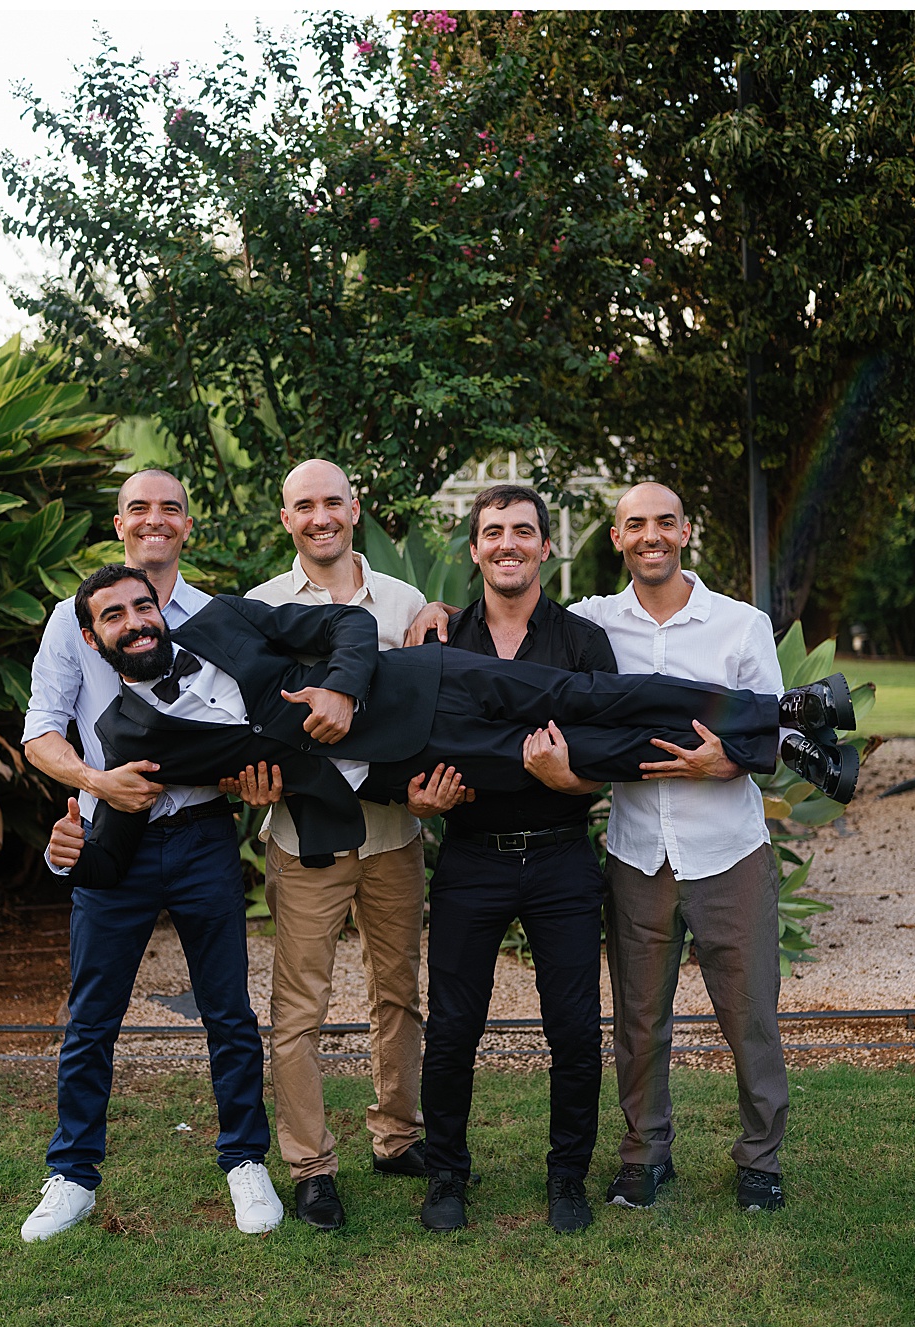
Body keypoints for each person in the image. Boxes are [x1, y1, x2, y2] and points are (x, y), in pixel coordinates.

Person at [47, 565, 855, 885]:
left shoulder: (225, 617)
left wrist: (336, 692)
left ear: (162, 608)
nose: (137, 622)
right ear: (94, 639)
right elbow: (111, 848)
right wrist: (70, 848)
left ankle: (786, 711)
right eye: (115, 617)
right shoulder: (126, 738)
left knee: (601, 698)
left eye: (143, 605)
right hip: (411, 765)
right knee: (587, 752)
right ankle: (780, 744)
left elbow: (347, 629)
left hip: (429, 678)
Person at [18, 469, 283, 1241]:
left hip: (203, 836)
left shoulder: (218, 617)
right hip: (112, 839)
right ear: (120, 522)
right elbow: (41, 731)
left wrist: (258, 783)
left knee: (229, 1011)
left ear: (187, 525)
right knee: (93, 1015)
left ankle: (244, 1161)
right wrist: (98, 781)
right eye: (140, 507)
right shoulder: (73, 622)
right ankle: (71, 1174)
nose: (155, 519)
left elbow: (249, 721)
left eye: (170, 507)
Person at [575, 482, 799, 1212]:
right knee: (638, 1016)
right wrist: (438, 612)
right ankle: (644, 1154)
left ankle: (760, 1159)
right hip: (637, 852)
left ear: (685, 531)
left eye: (664, 523)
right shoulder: (592, 625)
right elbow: (509, 620)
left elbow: (774, 729)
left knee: (750, 1016)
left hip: (727, 852)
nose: (651, 536)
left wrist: (727, 761)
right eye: (635, 524)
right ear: (616, 538)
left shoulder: (739, 625)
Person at [238, 459, 440, 1229]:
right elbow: (245, 722)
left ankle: (395, 1137)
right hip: (304, 835)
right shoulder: (261, 607)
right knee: (299, 1008)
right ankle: (312, 1165)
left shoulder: (406, 601)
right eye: (303, 506)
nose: (319, 517)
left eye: (332, 502)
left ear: (355, 509)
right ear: (285, 519)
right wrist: (248, 779)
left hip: (394, 833)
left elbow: (427, 694)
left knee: (399, 995)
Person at [418, 485, 622, 1234]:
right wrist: (421, 801)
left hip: (563, 860)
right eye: (493, 532)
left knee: (573, 1030)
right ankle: (445, 1176)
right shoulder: (437, 641)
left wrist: (575, 779)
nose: (508, 543)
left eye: (523, 532)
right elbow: (410, 748)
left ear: (544, 548)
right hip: (470, 858)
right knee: (452, 1030)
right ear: (474, 550)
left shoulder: (582, 643)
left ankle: (567, 1177)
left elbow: (612, 749)